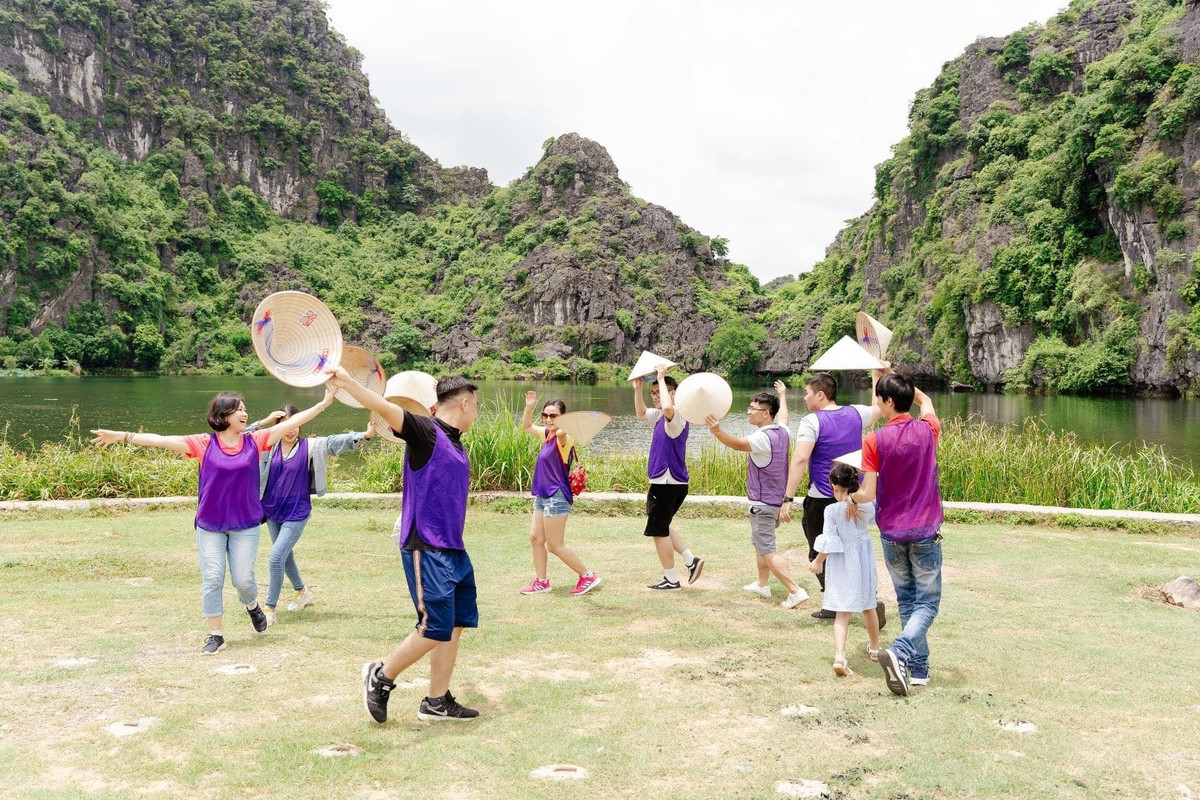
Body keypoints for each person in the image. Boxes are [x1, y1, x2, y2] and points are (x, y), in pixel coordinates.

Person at [89, 388, 335, 655]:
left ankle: (252, 605)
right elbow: (160, 440)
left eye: (244, 408)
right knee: (213, 578)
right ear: (224, 415)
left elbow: (293, 423)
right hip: (210, 525)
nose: (245, 413)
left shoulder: (256, 441)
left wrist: (324, 403)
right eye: (239, 409)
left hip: (245, 525)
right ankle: (216, 635)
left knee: (243, 581)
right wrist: (122, 436)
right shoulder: (203, 443)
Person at [326, 365, 482, 723]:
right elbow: (384, 408)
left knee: (455, 622)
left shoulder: (455, 442)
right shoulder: (425, 431)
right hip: (425, 545)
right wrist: (349, 382)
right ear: (465, 404)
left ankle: (436, 701)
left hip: (453, 547)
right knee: (435, 625)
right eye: (476, 406)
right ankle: (381, 676)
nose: (476, 412)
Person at [848, 369, 944, 697]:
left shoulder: (873, 440)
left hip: (891, 530)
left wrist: (849, 496)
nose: (876, 402)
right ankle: (903, 652)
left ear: (888, 402)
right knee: (927, 602)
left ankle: (918, 669)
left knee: (907, 599)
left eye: (879, 397)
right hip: (925, 530)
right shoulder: (929, 429)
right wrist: (896, 381)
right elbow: (927, 401)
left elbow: (868, 494)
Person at [253, 406, 376, 624]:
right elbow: (238, 438)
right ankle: (302, 591)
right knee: (285, 555)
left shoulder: (310, 446)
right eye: (285, 425)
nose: (291, 430)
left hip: (297, 511)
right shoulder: (267, 445)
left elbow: (334, 442)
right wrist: (264, 420)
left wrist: (364, 436)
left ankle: (269, 608)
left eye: (295, 424)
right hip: (272, 510)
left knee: (275, 558)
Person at [780, 372, 886, 626]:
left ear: (820, 395)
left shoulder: (811, 421)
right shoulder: (855, 413)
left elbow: (800, 459)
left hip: (823, 497)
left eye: (807, 393)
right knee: (851, 549)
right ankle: (868, 598)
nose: (804, 398)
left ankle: (834, 604)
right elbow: (879, 409)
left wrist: (787, 497)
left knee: (819, 549)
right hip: (854, 496)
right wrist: (876, 379)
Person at [705, 381, 807, 609]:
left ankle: (795, 590)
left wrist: (717, 431)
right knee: (761, 544)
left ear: (766, 413)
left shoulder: (762, 438)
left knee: (768, 549)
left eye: (754, 409)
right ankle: (762, 584)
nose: (749, 412)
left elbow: (738, 445)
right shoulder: (782, 431)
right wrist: (782, 395)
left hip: (762, 504)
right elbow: (785, 418)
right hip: (774, 502)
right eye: (749, 408)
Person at [518, 392, 601, 595]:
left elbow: (563, 433)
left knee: (555, 546)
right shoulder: (547, 434)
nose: (547, 419)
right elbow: (527, 426)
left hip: (556, 496)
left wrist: (568, 423)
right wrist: (529, 407)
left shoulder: (565, 439)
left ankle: (587, 575)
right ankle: (542, 581)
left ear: (562, 417)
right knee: (536, 538)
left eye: (553, 416)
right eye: (545, 415)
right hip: (543, 495)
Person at [634, 363, 705, 590]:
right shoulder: (659, 417)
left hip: (667, 482)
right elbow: (641, 413)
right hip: (667, 482)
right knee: (662, 525)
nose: (655, 396)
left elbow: (667, 408)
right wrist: (637, 389)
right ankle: (690, 560)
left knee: (658, 530)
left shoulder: (677, 416)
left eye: (659, 392)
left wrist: (662, 377)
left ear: (672, 393)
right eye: (652, 393)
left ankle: (671, 579)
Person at [810, 463, 882, 677]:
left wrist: (818, 560)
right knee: (869, 605)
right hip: (863, 561)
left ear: (834, 486)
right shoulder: (867, 506)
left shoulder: (831, 510)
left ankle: (840, 655)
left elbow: (831, 541)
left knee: (842, 612)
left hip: (842, 564)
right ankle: (875, 649)